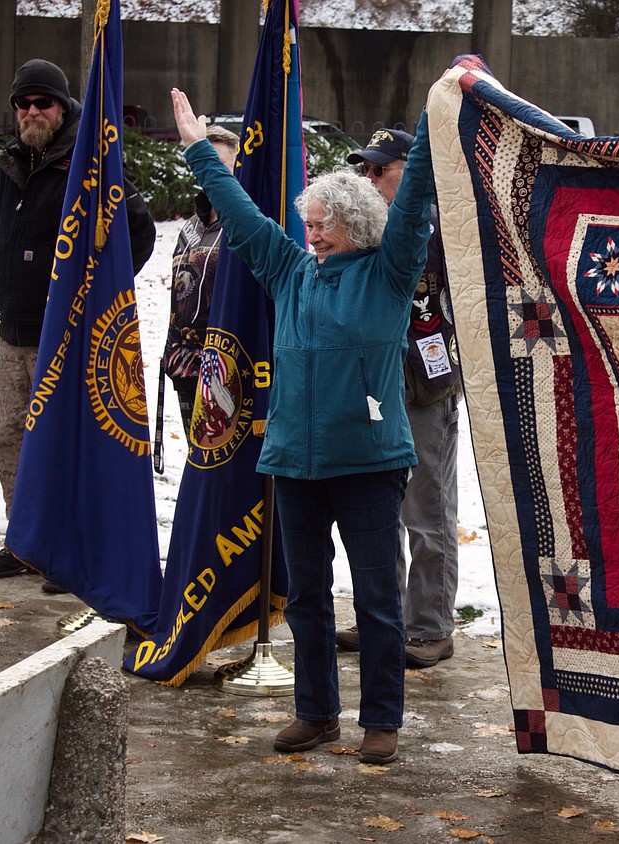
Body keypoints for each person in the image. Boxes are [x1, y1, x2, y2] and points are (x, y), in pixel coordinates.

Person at [171, 87, 435, 765]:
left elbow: (411, 208)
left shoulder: (389, 272)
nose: (310, 234)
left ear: (353, 223)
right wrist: (201, 151)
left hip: (370, 464)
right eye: (308, 223)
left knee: (378, 600)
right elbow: (241, 215)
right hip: (292, 461)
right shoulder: (290, 269)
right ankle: (316, 713)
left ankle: (382, 718)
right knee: (307, 599)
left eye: (322, 225)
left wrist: (437, 122)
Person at [0, 59, 156, 584]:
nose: (31, 112)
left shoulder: (90, 163)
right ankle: (23, 540)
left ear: (62, 106)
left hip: (66, 337)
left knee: (61, 444)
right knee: (12, 438)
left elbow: (136, 234)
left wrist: (91, 299)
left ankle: (65, 548)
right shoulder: (11, 163)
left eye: (42, 103)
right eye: (22, 104)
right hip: (13, 329)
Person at [335, 128, 461, 669]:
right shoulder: (362, 227)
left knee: (426, 510)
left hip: (424, 385)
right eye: (364, 169)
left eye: (378, 169)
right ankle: (381, 618)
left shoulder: (443, 225)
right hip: (372, 385)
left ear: (410, 169)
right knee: (374, 511)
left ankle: (431, 627)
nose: (369, 178)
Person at [161, 124, 240, 440]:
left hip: (225, 364)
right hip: (185, 364)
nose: (210, 171)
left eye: (219, 164)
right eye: (203, 162)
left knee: (220, 457)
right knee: (196, 457)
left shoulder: (244, 225)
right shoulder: (192, 225)